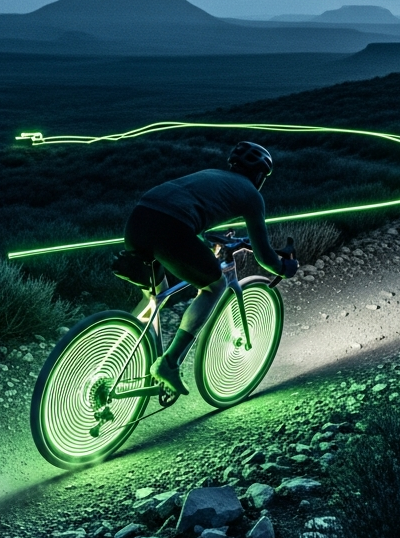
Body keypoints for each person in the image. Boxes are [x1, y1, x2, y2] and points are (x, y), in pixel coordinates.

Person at [122, 141, 298, 396]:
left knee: (154, 296)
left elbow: (193, 211)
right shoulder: (252, 194)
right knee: (215, 285)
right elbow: (265, 258)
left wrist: (211, 239)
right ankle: (169, 364)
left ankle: (122, 346)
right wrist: (284, 268)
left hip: (138, 220)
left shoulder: (212, 176)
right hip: (171, 229)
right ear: (260, 175)